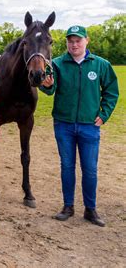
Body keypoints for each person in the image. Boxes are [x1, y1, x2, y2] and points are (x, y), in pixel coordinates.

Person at [40, 25, 119, 227]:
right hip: (64, 125)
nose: (74, 44)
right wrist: (46, 85)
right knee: (67, 166)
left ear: (86, 41)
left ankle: (90, 209)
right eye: (70, 41)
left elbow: (111, 91)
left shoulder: (101, 64)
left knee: (90, 169)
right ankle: (68, 206)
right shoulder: (57, 64)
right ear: (67, 42)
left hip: (89, 127)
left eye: (78, 40)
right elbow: (50, 88)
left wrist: (104, 114)